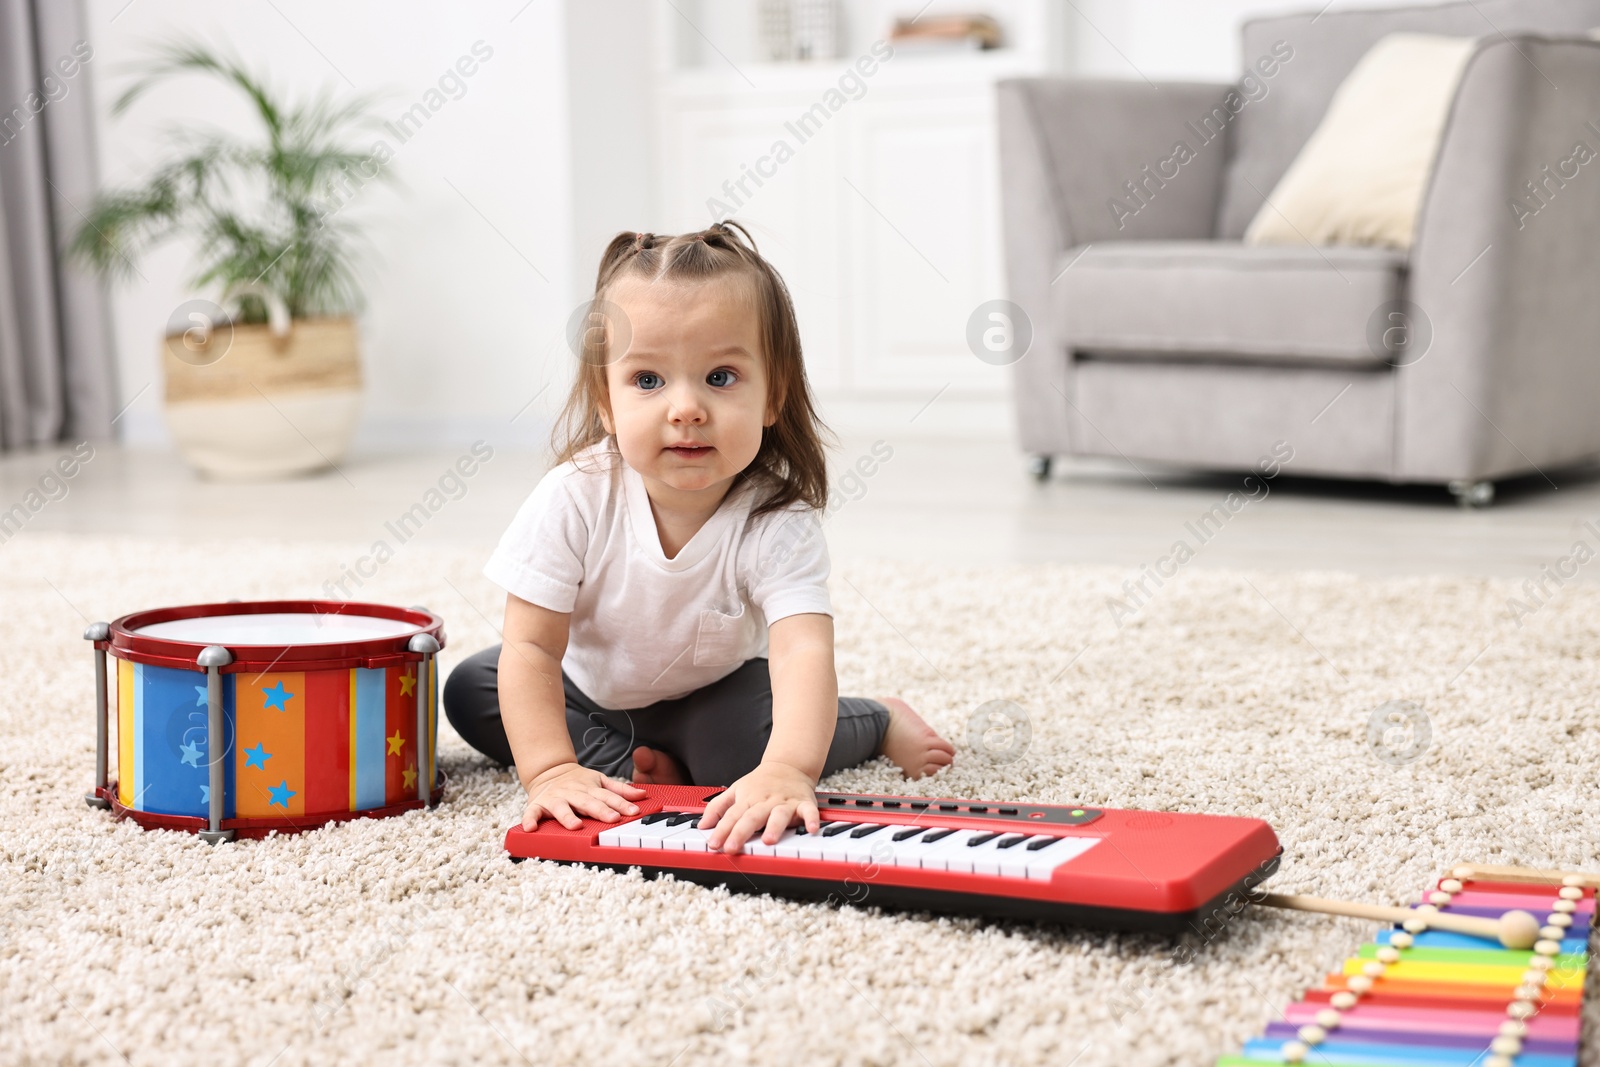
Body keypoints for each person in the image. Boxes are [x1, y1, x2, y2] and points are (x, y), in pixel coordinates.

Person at [443, 220, 954, 854]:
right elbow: (531, 648)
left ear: (774, 396)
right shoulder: (574, 495)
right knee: (472, 688)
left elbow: (801, 654)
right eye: (649, 381)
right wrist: (549, 771)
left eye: (719, 377)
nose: (685, 409)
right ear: (606, 401)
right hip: (591, 688)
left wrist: (788, 770)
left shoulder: (774, 518)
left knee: (746, 757)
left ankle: (876, 719)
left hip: (713, 692)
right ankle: (635, 763)